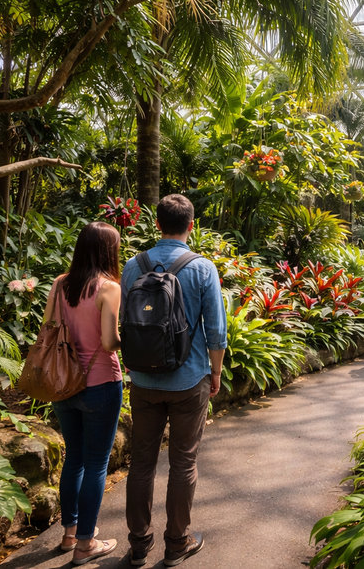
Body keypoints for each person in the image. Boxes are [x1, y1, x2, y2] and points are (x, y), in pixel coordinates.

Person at [121, 195, 227, 567]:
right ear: (191, 225)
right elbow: (216, 331)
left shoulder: (134, 266)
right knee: (183, 462)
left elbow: (125, 323)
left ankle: (138, 543)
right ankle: (177, 542)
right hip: (188, 380)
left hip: (144, 381)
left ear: (157, 224)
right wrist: (214, 373)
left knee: (142, 462)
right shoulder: (202, 269)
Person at [45, 222, 124, 565]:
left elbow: (48, 330)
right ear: (110, 251)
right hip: (101, 384)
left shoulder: (60, 284)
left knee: (74, 458)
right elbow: (109, 343)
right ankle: (86, 545)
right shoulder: (109, 288)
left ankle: (68, 534)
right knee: (95, 464)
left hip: (62, 382)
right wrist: (128, 336)